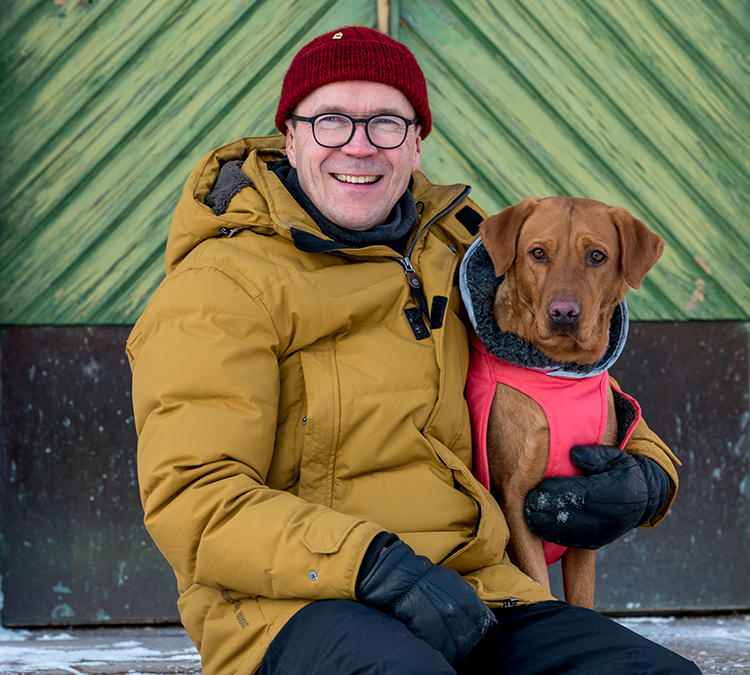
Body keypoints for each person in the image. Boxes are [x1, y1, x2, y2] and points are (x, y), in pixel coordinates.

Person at [127, 26, 698, 674]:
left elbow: (558, 379)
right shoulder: (221, 285)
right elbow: (194, 497)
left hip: (474, 588)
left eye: (387, 124)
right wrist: (375, 564)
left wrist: (648, 475)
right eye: (331, 120)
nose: (360, 146)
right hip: (294, 605)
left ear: (417, 142)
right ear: (291, 135)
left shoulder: (457, 253)